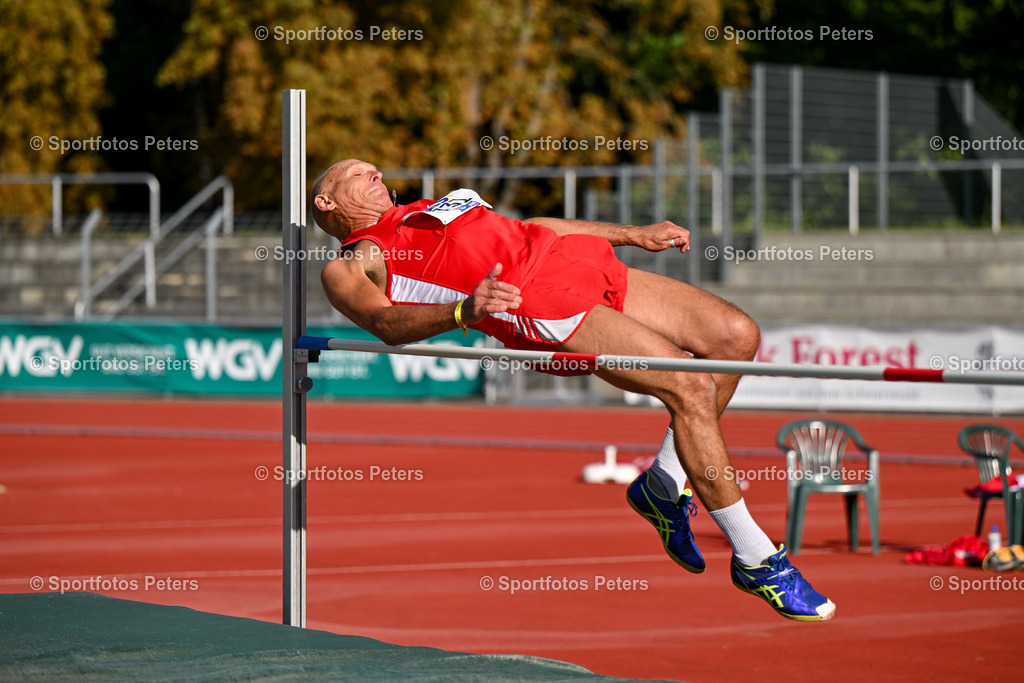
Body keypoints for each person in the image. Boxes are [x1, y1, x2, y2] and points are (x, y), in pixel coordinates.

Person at [312, 158, 835, 622]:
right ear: (327, 201)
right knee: (691, 386)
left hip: (582, 263)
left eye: (374, 168)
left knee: (734, 335)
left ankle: (662, 483)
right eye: (357, 173)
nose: (376, 173)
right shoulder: (358, 258)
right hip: (543, 305)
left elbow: (531, 225)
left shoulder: (433, 205)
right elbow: (383, 322)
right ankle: (757, 559)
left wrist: (632, 234)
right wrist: (461, 312)